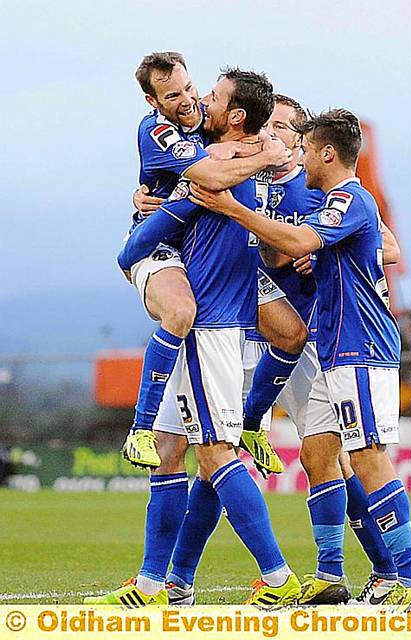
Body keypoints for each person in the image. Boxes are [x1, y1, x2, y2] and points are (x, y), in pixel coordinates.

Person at [189, 108, 411, 606]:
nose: (296, 151)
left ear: (325, 151)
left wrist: (234, 213)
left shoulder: (349, 197)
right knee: (321, 453)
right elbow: (300, 245)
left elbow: (324, 240)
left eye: (302, 142)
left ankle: (409, 577)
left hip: (359, 344)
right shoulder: (332, 202)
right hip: (335, 346)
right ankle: (331, 572)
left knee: (367, 456)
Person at [85, 68, 301, 608]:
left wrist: (133, 246)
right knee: (168, 451)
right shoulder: (220, 157)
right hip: (207, 332)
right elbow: (189, 185)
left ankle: (279, 578)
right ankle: (156, 584)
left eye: (211, 95)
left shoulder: (224, 170)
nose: (199, 99)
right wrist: (149, 201)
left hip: (209, 332)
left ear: (234, 117)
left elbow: (197, 189)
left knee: (215, 453)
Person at [121, 51, 307, 475]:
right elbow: (211, 177)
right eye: (176, 95)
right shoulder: (161, 131)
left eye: (194, 88)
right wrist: (263, 156)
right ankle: (140, 428)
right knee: (197, 452)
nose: (193, 100)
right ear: (154, 102)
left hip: (229, 267)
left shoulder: (220, 130)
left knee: (292, 333)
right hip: (169, 249)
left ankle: (252, 423)